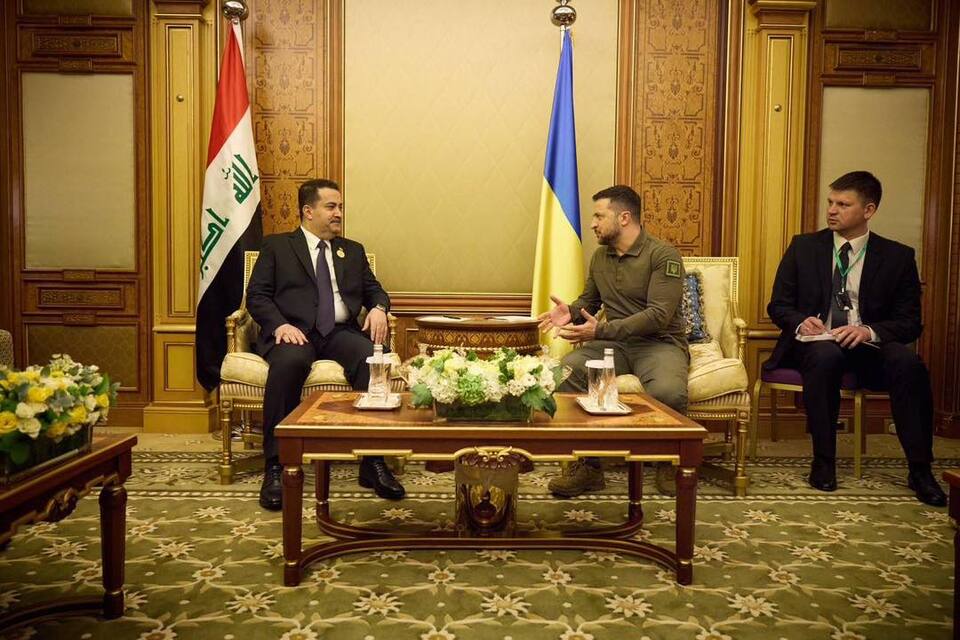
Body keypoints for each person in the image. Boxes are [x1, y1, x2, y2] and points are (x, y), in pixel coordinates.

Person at [766, 170, 945, 506]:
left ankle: (920, 469)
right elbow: (778, 306)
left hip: (869, 347)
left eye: (843, 204)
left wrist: (868, 330)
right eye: (830, 202)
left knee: (908, 363)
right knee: (826, 356)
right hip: (817, 346)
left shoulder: (898, 257)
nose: (832, 210)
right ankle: (824, 462)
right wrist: (801, 322)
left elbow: (910, 323)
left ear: (868, 210)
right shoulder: (803, 247)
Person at [246, 178, 404, 510]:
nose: (339, 213)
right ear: (308, 211)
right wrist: (280, 325)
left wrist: (378, 308)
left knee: (371, 360)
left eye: (340, 207)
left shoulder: (352, 250)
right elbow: (257, 296)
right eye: (331, 207)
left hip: (339, 332)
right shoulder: (277, 247)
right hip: (294, 332)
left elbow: (375, 290)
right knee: (288, 364)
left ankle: (373, 461)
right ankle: (276, 465)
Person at [538, 185, 689, 497]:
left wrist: (601, 331)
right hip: (614, 346)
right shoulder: (600, 257)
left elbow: (658, 316)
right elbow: (589, 302)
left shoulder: (663, 255)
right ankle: (589, 466)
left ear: (624, 218)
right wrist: (571, 312)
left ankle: (668, 463)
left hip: (658, 343)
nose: (593, 223)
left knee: (667, 392)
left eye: (599, 216)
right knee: (566, 374)